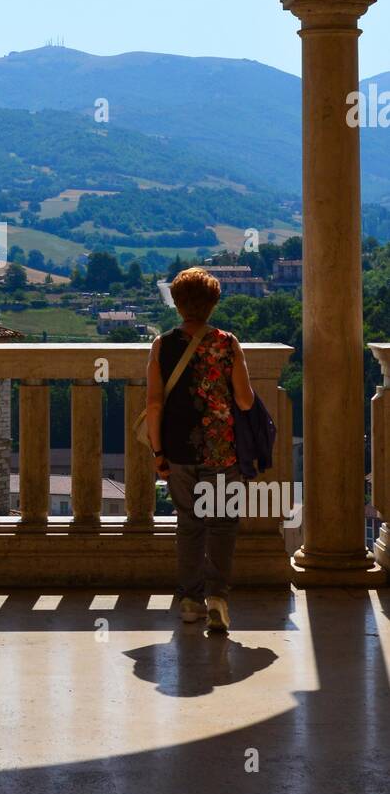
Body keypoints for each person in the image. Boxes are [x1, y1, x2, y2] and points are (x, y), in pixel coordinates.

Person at [145, 267, 254, 633]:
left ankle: (190, 601)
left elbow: (155, 404)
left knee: (189, 524)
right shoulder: (227, 343)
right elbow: (244, 399)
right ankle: (218, 597)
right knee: (223, 525)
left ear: (177, 303)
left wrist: (158, 454)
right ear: (213, 303)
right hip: (222, 449)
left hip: (178, 450)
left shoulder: (162, 345)